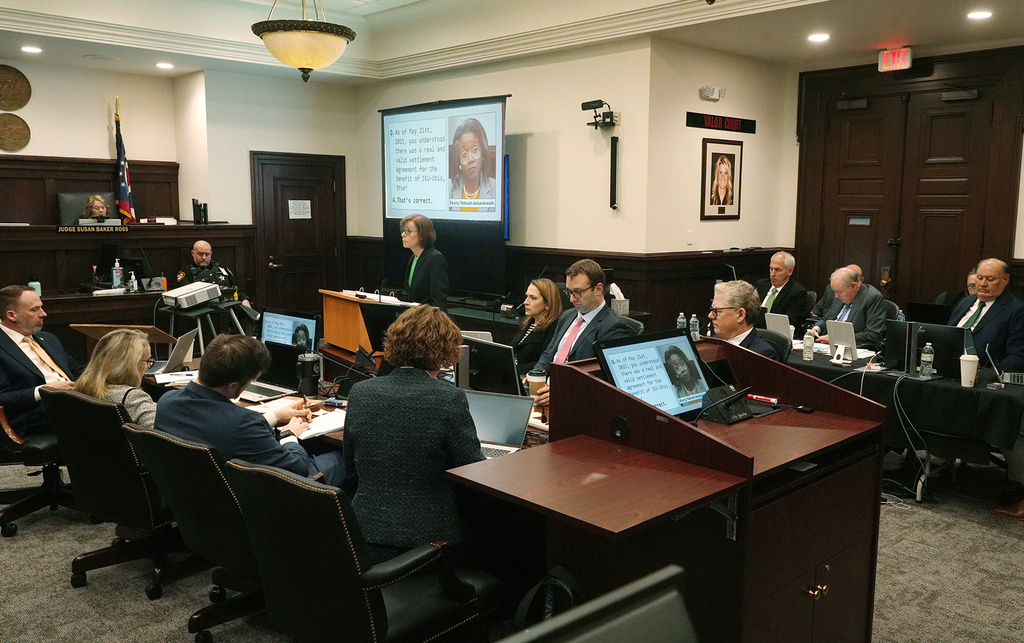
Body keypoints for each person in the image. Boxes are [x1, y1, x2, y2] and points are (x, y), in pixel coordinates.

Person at [342, 305, 483, 563]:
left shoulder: (361, 392)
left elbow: (350, 469)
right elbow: (472, 472)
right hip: (430, 545)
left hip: (363, 537)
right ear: (445, 352)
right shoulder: (449, 398)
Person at [155, 334, 345, 485]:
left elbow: (225, 430)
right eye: (250, 381)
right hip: (259, 506)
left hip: (200, 505)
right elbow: (298, 469)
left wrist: (274, 416)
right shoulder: (241, 424)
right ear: (232, 386)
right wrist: (289, 434)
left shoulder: (167, 403)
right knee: (346, 457)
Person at [532, 259, 634, 406]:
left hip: (573, 403)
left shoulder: (612, 328)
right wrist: (535, 374)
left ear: (598, 289)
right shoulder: (567, 316)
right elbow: (549, 353)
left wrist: (561, 392)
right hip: (544, 396)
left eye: (578, 292)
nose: (572, 299)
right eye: (569, 292)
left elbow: (600, 382)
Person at [0, 285, 83, 435]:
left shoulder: (49, 339)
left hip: (70, 399)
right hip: (31, 414)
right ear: (12, 315)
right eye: (34, 309)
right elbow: (3, 399)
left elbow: (76, 370)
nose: (43, 314)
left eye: (41, 308)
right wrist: (44, 390)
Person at [948, 258, 1024, 371]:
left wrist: (988, 375)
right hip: (948, 368)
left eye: (990, 279)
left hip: (983, 376)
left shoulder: (1016, 310)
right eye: (980, 278)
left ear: (1005, 280)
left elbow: (1017, 356)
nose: (983, 284)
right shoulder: (966, 302)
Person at [74, 329, 157, 430]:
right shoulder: (132, 397)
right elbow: (159, 440)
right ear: (134, 365)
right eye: (148, 361)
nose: (148, 366)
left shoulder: (82, 389)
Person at [811, 266, 886, 350]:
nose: (836, 296)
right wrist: (816, 328)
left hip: (853, 350)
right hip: (827, 347)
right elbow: (827, 318)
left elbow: (873, 335)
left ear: (853, 286)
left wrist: (836, 338)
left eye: (839, 292)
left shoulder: (872, 297)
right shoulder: (842, 295)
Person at [707, 280, 779, 360]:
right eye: (712, 309)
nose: (710, 316)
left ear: (740, 315)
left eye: (718, 311)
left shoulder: (762, 354)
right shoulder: (714, 341)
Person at [511, 278, 563, 375]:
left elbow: (544, 362)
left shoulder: (554, 327)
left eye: (533, 298)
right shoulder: (528, 323)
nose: (525, 302)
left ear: (547, 303)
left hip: (532, 378)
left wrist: (512, 368)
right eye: (527, 296)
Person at [176, 240, 250, 308]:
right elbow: (187, 297)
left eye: (207, 254)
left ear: (211, 254)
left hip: (230, 306)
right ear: (193, 253)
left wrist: (244, 299)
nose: (204, 258)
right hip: (205, 310)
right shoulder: (186, 273)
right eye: (200, 254)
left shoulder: (221, 268)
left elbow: (237, 287)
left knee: (251, 318)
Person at [400, 213, 449, 310]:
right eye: (403, 231)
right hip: (414, 317)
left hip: (429, 320)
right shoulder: (413, 258)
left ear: (422, 235)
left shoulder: (435, 259)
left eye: (408, 231)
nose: (403, 235)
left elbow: (437, 301)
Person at [755, 251, 809, 337]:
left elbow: (789, 323)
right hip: (755, 332)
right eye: (771, 269)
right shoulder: (761, 285)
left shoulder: (797, 292)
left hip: (776, 336)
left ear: (790, 271)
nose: (772, 274)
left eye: (777, 270)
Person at [448, 117, 496, 212]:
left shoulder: (496, 188)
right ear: (459, 161)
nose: (470, 159)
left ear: (483, 154)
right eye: (464, 153)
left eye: (475, 149)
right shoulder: (448, 187)